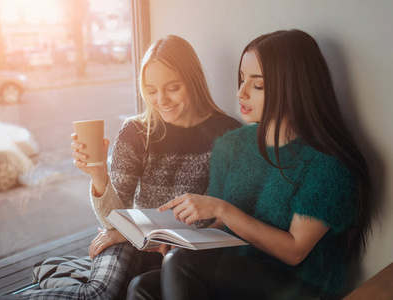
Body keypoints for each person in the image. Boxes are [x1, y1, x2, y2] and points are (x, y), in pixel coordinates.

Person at [0, 35, 240, 300]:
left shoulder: (229, 135)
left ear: (193, 80)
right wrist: (99, 175)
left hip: (183, 254)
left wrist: (167, 240)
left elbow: (230, 219)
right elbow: (114, 221)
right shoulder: (137, 131)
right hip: (130, 238)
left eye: (173, 87)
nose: (161, 100)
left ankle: (61, 272)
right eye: (151, 91)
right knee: (99, 294)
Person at [127, 29, 373, 300]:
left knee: (181, 265)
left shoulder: (327, 164)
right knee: (142, 285)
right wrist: (179, 241)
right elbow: (222, 225)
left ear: (294, 88)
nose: (240, 92)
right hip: (236, 270)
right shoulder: (232, 145)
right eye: (242, 79)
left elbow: (295, 251)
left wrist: (223, 209)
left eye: (257, 85)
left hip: (296, 285)